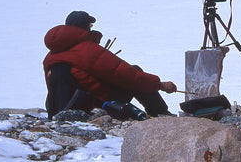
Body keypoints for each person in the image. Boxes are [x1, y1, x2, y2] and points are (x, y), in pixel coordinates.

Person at [43, 11, 177, 119]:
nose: (91, 29)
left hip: (63, 107)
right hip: (94, 103)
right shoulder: (87, 50)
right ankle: (160, 113)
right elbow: (128, 75)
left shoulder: (51, 56)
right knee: (135, 72)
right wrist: (160, 85)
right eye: (90, 26)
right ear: (84, 27)